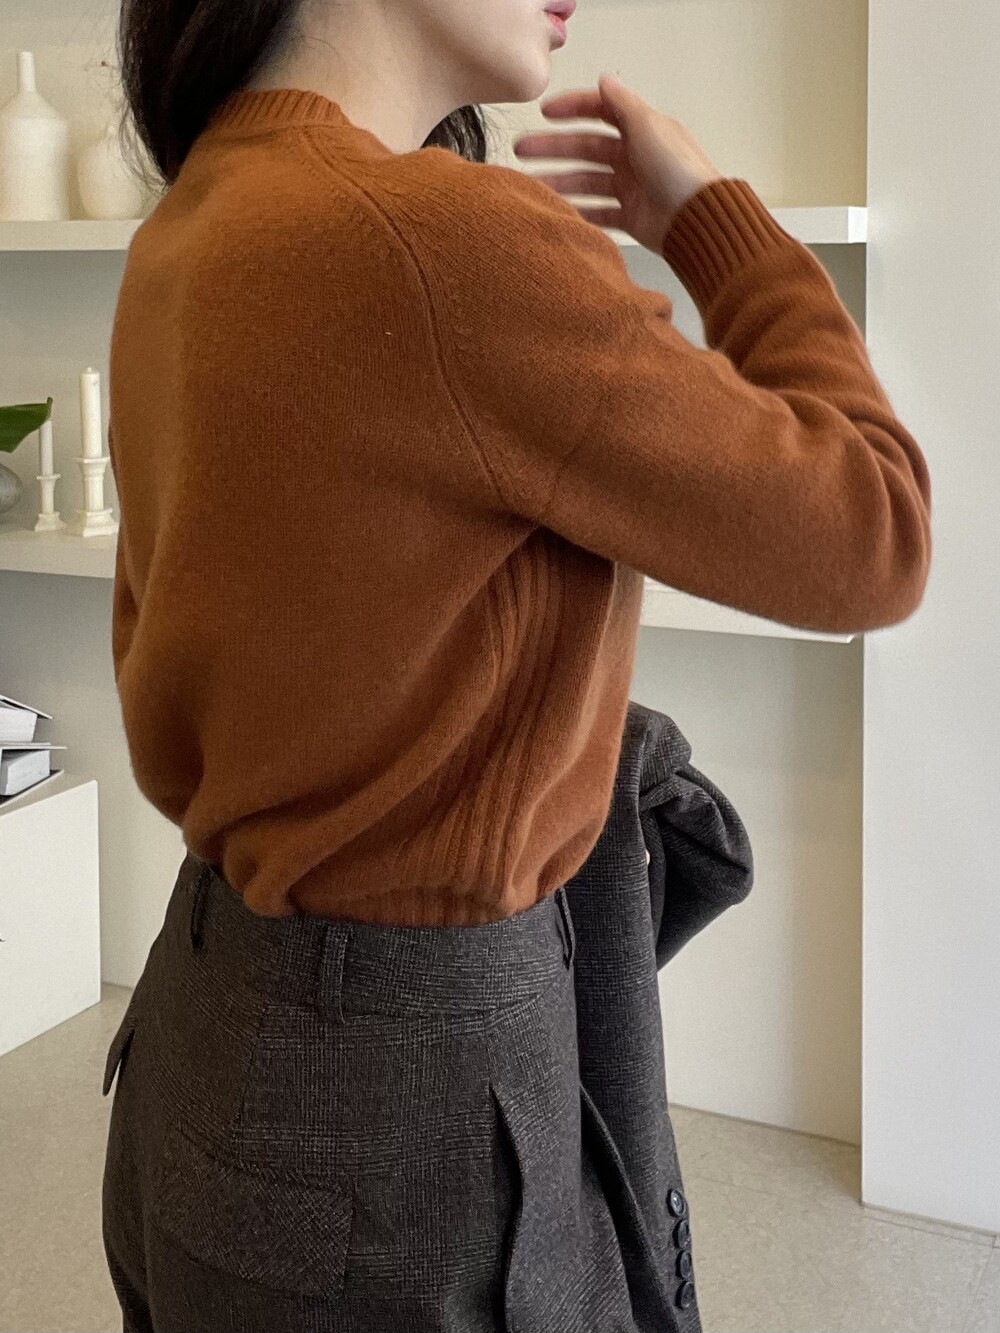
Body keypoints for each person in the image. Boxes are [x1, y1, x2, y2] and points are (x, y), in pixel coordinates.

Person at [101, 0, 932, 1328]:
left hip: (199, 1046)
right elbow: (874, 532)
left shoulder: (194, 222)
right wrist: (714, 220)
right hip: (406, 1121)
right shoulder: (447, 243)